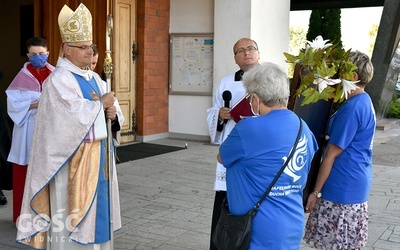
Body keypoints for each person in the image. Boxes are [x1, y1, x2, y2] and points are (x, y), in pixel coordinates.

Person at [16, 3, 124, 249]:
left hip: (100, 164)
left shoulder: (95, 78)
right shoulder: (59, 80)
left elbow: (114, 115)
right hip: (71, 166)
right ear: (66, 49)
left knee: (100, 217)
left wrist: (112, 113)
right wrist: (100, 107)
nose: (89, 52)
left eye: (90, 47)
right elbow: (66, 123)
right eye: (83, 47)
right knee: (71, 220)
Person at [217, 62, 318, 249]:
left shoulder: (248, 128)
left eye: (249, 98)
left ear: (256, 98)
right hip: (292, 226)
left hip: (256, 230)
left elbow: (222, 157)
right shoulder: (304, 128)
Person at [303, 50, 375, 249]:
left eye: (341, 71)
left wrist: (315, 193)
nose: (336, 74)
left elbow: (331, 156)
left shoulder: (352, 107)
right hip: (354, 181)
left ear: (352, 77)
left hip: (342, 186)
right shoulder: (364, 100)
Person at [206, 37, 260, 250]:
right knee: (227, 198)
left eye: (250, 49)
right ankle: (223, 242)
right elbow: (213, 110)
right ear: (235, 58)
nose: (246, 53)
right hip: (233, 145)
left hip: (258, 147)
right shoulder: (226, 82)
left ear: (258, 53)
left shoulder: (270, 78)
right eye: (240, 51)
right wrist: (219, 114)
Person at [5, 37, 55, 221]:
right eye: (33, 54)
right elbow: (12, 103)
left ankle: (46, 215)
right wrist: (34, 104)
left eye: (41, 54)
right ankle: (22, 216)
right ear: (28, 55)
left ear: (48, 53)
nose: (38, 57)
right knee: (24, 171)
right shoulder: (21, 77)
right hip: (27, 128)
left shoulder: (56, 74)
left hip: (50, 129)